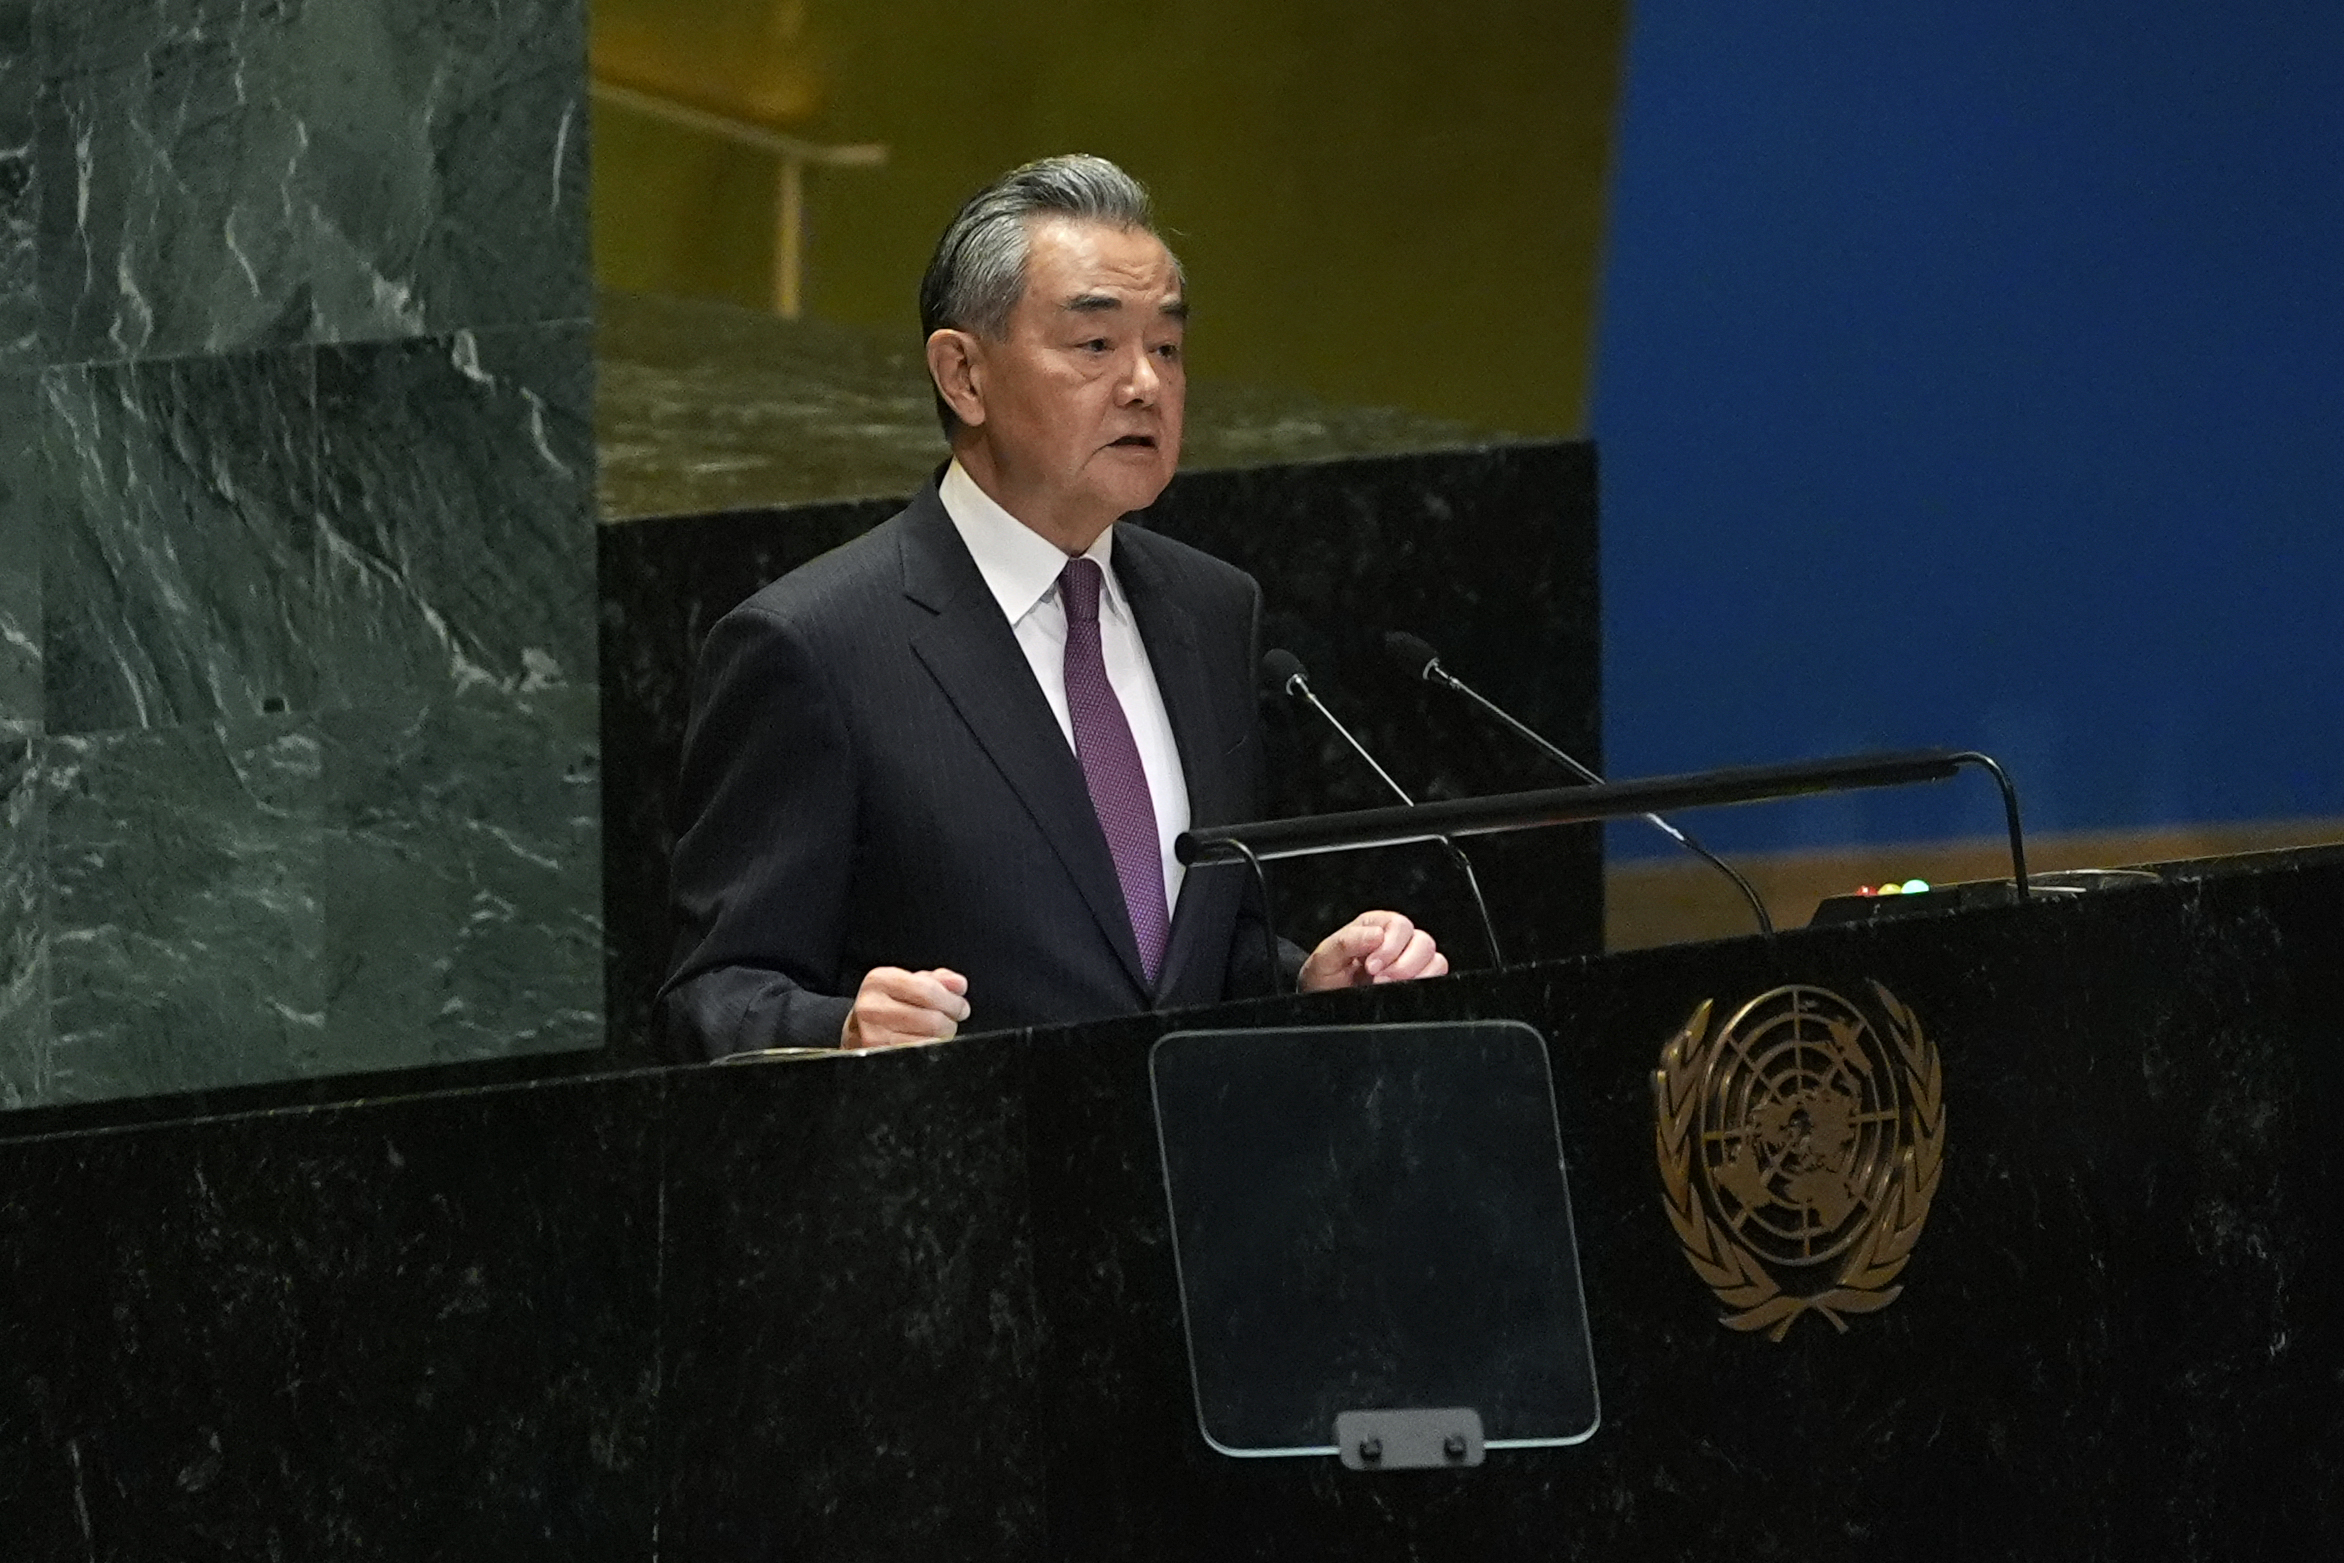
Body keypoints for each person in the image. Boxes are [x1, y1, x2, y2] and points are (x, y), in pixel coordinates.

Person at [659, 155, 1445, 1057]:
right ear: (963, 376)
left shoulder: (1210, 609)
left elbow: (1181, 954)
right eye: (1096, 345)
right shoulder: (813, 646)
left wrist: (1306, 979)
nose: (1145, 383)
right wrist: (838, 1027)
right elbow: (712, 998)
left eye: (1168, 348)